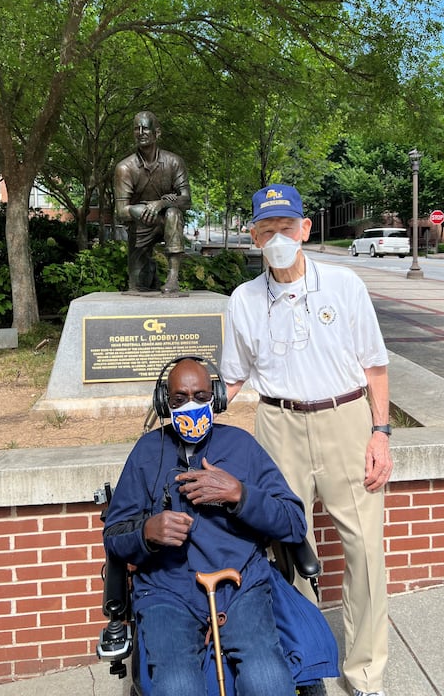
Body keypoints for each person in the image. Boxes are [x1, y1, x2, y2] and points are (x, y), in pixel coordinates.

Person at [220, 184, 392, 696]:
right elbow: (233, 378)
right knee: (289, 546)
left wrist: (380, 433)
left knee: (364, 550)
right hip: (278, 425)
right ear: (253, 236)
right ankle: (308, 662)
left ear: (305, 230)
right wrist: (192, 408)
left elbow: (375, 367)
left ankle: (366, 672)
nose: (278, 239)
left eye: (286, 228)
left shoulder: (344, 286)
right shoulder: (243, 300)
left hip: (346, 419)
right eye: (267, 230)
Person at [103, 357, 309, 696]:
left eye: (200, 396)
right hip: (167, 591)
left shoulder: (242, 446)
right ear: (164, 404)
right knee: (178, 687)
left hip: (240, 586)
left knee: (268, 681)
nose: (191, 405)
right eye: (179, 399)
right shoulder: (146, 452)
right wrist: (146, 534)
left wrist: (239, 494)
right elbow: (114, 537)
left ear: (216, 397)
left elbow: (293, 522)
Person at [115, 111, 191, 292]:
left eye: (145, 128)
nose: (140, 132)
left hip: (167, 219)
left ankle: (173, 279)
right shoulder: (125, 168)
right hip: (141, 224)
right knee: (139, 284)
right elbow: (121, 211)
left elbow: (186, 200)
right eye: (136, 129)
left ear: (157, 133)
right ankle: (150, 271)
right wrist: (142, 210)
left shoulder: (174, 162)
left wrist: (162, 204)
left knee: (173, 213)